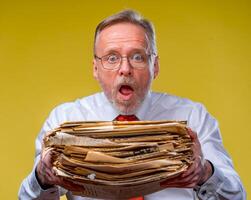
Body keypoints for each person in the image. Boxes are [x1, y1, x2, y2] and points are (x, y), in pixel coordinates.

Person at [19, 9, 246, 200]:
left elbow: (237, 196)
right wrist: (42, 178)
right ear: (95, 69)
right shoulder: (64, 120)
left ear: (154, 66)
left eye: (137, 56)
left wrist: (204, 173)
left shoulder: (194, 117)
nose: (125, 68)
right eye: (111, 57)